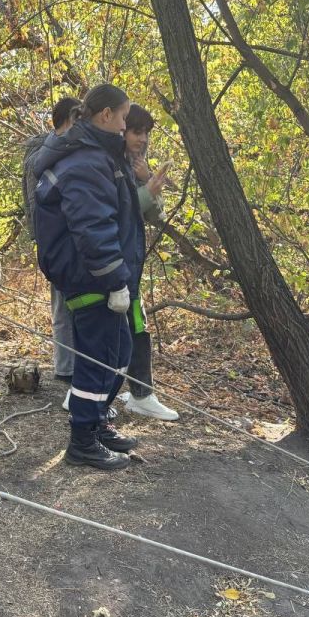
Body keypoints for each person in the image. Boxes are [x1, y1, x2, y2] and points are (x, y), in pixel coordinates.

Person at [33, 84, 143, 471]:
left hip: (107, 278)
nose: (127, 125)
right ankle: (82, 441)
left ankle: (97, 423)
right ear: (105, 115)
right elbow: (91, 226)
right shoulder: (85, 161)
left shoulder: (100, 155)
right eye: (125, 117)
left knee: (119, 354)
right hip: (91, 278)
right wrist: (114, 280)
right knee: (97, 360)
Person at [117, 104, 178, 421]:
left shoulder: (136, 164)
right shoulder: (107, 162)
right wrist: (146, 191)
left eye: (146, 133)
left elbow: (156, 217)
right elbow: (109, 216)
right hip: (110, 265)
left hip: (132, 265)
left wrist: (149, 183)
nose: (141, 139)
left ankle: (141, 394)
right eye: (136, 131)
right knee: (111, 332)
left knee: (137, 326)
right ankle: (81, 397)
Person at [22, 97, 82, 385]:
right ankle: (67, 367)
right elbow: (35, 203)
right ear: (69, 120)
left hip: (63, 238)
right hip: (56, 240)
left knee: (72, 303)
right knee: (63, 303)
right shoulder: (44, 155)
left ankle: (73, 365)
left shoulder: (52, 152)